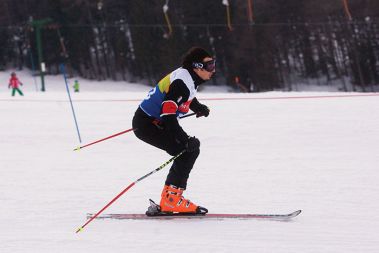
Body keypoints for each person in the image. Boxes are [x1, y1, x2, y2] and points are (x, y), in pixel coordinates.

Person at [132, 47, 216, 214]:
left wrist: (197, 107)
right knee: (187, 149)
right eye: (210, 66)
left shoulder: (187, 76)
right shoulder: (182, 83)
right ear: (197, 67)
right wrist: (185, 139)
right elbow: (168, 114)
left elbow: (186, 96)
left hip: (154, 121)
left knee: (189, 149)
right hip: (148, 124)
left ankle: (171, 198)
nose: (213, 70)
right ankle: (171, 200)